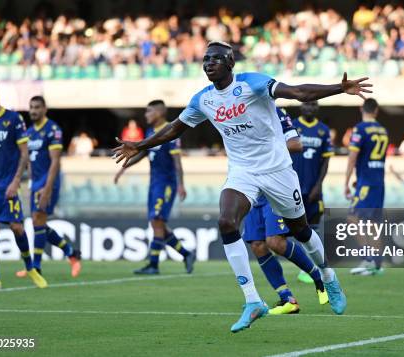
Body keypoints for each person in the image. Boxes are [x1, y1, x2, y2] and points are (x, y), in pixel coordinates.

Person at [114, 41, 371, 332]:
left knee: (300, 230)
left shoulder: (253, 83)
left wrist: (339, 88)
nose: (208, 63)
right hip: (243, 171)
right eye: (205, 59)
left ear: (230, 62)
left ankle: (327, 276)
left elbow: (298, 92)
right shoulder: (203, 100)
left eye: (215, 59)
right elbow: (176, 127)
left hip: (277, 169)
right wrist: (140, 145)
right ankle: (253, 301)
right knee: (226, 221)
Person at [243, 107, 328, 315]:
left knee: (275, 241)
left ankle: (317, 276)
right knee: (257, 245)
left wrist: (264, 149)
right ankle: (287, 299)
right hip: (252, 184)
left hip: (275, 185)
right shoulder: (235, 111)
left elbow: (295, 144)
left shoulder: (275, 111)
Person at [0, 80, 46, 290]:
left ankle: (30, 268)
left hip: (7, 185)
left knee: (16, 227)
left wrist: (16, 181)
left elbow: (24, 154)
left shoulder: (14, 119)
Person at [115, 100, 195, 275]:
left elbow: (177, 161)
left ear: (158, 113)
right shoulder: (151, 132)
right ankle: (186, 254)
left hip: (166, 184)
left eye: (148, 112)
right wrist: (123, 168)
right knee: (156, 223)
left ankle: (153, 264)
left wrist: (181, 184)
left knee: (157, 222)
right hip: (154, 184)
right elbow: (142, 152)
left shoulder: (171, 131)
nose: (146, 115)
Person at [15, 96, 81, 279]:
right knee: (39, 223)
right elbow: (28, 161)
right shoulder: (29, 133)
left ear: (45, 109)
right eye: (31, 107)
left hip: (48, 181)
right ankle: (71, 253)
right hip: (35, 183)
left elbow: (55, 161)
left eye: (37, 107)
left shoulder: (53, 130)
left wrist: (48, 188)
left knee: (38, 220)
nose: (33, 111)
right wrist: (29, 183)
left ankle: (35, 267)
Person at [290, 100, 334, 283]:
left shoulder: (323, 130)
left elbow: (325, 161)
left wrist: (319, 185)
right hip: (293, 187)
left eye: (313, 105)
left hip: (314, 189)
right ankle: (308, 266)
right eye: (306, 105)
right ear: (301, 106)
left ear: (317, 108)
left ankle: (318, 266)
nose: (309, 108)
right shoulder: (292, 125)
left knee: (313, 228)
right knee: (298, 229)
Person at [345, 98, 388, 276]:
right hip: (378, 182)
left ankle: (367, 259)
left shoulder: (360, 129)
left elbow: (352, 156)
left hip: (366, 184)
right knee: (372, 224)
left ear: (361, 108)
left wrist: (346, 182)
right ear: (376, 111)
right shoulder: (383, 130)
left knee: (352, 219)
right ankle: (377, 265)